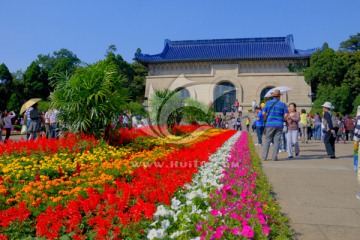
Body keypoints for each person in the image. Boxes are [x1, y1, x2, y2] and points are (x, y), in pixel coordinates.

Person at [261, 90, 288, 161]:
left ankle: (264, 156)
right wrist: (282, 119)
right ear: (279, 96)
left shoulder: (267, 103)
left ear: (273, 96)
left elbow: (263, 113)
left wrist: (266, 118)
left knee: (267, 140)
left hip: (269, 124)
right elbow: (286, 115)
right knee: (277, 141)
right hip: (279, 124)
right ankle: (274, 157)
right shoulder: (283, 104)